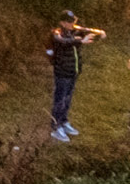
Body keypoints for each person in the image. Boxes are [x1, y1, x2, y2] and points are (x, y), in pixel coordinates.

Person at [45, 11, 107, 140]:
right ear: (62, 23)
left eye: (73, 21)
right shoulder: (57, 33)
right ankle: (56, 126)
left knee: (67, 99)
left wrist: (100, 32)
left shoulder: (74, 30)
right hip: (62, 72)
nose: (72, 24)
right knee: (60, 100)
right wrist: (80, 41)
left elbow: (88, 30)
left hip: (73, 71)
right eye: (69, 22)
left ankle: (64, 121)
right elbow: (64, 42)